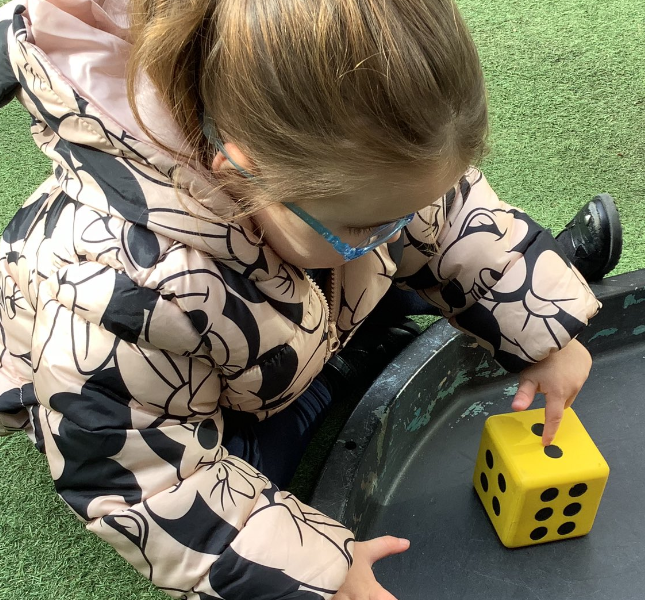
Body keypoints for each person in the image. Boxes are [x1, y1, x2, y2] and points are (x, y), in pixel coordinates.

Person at [0, 1, 622, 599]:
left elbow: (447, 217)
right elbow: (152, 486)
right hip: (155, 399)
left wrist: (543, 325)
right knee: (253, 471)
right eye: (368, 224)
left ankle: (375, 335)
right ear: (239, 172)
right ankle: (337, 374)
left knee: (400, 256)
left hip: (285, 305)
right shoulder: (126, 293)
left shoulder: (346, 178)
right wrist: (315, 570)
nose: (399, 228)